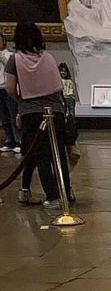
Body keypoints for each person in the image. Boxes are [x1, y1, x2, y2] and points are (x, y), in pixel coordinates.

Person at [3, 21, 74, 209]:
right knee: (58, 154)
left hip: (31, 112)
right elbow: (58, 84)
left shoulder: (15, 60)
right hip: (55, 110)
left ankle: (52, 196)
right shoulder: (48, 57)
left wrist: (22, 99)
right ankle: (66, 191)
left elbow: (10, 88)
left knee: (40, 155)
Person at [57, 61, 80, 164]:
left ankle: (72, 131)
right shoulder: (57, 81)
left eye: (64, 71)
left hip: (69, 98)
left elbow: (72, 91)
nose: (63, 73)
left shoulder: (69, 81)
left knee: (71, 115)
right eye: (61, 71)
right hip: (63, 99)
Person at [0, 30, 19, 153]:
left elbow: (10, 67)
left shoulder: (9, 55)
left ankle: (19, 141)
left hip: (7, 88)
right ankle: (9, 140)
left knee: (13, 115)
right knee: (4, 116)